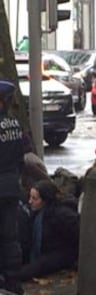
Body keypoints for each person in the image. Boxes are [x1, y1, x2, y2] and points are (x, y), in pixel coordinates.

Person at [18, 180, 79, 282]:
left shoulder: (63, 215)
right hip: (44, 252)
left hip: (59, 254)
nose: (30, 201)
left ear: (45, 200)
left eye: (34, 199)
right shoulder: (35, 213)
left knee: (27, 271)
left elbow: (78, 235)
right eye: (30, 197)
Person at [0, 80, 24, 294]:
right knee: (10, 235)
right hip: (11, 186)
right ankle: (13, 280)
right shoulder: (15, 124)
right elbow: (21, 157)